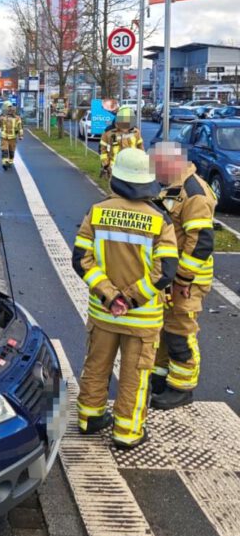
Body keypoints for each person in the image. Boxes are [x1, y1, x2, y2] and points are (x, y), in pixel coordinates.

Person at [73, 148, 178, 449]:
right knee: (135, 375)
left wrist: (109, 296)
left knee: (96, 366)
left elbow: (82, 259)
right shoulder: (160, 220)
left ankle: (89, 419)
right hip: (141, 318)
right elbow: (165, 271)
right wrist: (129, 300)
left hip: (104, 314)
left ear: (116, 177)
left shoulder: (97, 211)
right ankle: (127, 433)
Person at [149, 141, 216, 410]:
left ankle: (182, 387)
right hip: (173, 276)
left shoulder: (194, 193)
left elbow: (200, 241)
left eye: (157, 167)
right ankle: (162, 378)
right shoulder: (175, 185)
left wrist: (184, 279)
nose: (154, 174)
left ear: (171, 162)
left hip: (187, 280)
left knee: (180, 332)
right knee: (165, 330)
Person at [99, 106, 144, 178]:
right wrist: (106, 165)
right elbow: (102, 150)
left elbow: (140, 148)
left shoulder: (136, 132)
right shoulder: (108, 132)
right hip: (114, 169)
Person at [0, 103, 23, 170]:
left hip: (13, 138)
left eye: (12, 110)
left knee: (11, 151)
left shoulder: (17, 118)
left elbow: (20, 127)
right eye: (9, 109)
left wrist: (20, 135)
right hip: (4, 137)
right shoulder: (1, 118)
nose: (10, 111)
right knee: (4, 150)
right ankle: (4, 163)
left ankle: (10, 162)